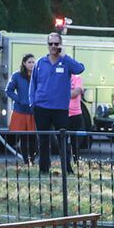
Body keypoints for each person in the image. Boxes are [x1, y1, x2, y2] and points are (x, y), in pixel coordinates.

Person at [28, 32, 84, 175]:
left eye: (56, 43)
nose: (53, 46)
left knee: (63, 140)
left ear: (60, 45)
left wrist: (65, 55)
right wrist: (32, 103)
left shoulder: (66, 62)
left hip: (60, 108)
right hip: (41, 108)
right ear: (47, 45)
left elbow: (79, 69)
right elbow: (33, 84)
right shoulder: (40, 62)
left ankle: (67, 169)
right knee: (43, 141)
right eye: (51, 43)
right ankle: (44, 169)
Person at [5, 53, 37, 165]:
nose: (32, 64)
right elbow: (8, 90)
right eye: (29, 62)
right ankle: (25, 161)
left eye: (33, 62)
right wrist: (19, 99)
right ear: (24, 63)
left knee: (33, 138)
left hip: (34, 111)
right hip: (20, 111)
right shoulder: (16, 75)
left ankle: (32, 160)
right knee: (23, 138)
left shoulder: (37, 75)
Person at [65, 73, 84, 170]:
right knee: (64, 142)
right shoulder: (60, 77)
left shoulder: (77, 78)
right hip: (63, 114)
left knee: (75, 141)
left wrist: (62, 93)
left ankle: (76, 162)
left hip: (76, 114)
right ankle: (66, 165)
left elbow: (76, 92)